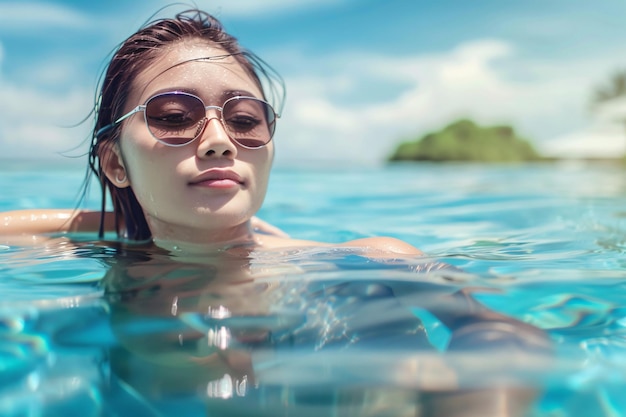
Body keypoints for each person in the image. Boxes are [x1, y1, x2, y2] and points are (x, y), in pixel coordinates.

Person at [0, 8, 550, 416]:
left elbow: (505, 332)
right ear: (115, 163)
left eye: (245, 119)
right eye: (173, 115)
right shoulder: (107, 256)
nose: (219, 140)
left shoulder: (368, 261)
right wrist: (124, 224)